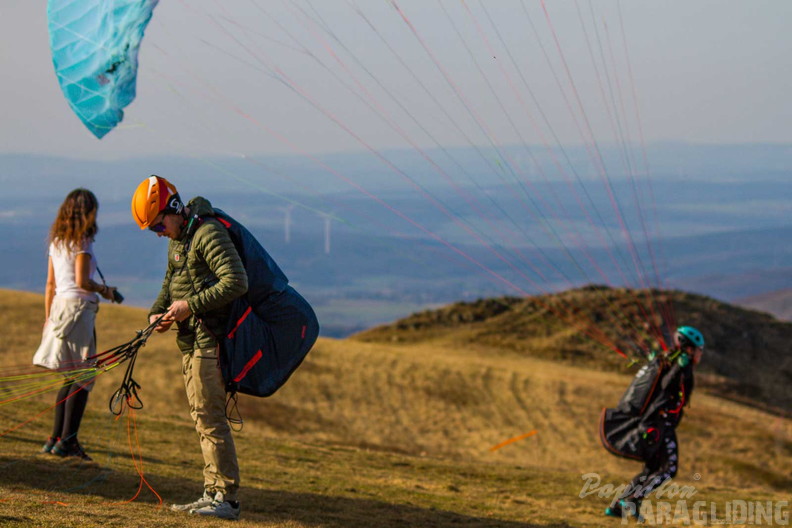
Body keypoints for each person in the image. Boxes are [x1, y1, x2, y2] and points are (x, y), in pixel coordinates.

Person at [131, 176, 248, 520]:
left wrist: (189, 307)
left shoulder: (208, 234)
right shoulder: (179, 239)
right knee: (202, 418)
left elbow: (236, 281)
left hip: (209, 341)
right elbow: (170, 283)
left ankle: (225, 498)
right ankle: (211, 492)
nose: (157, 233)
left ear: (175, 209)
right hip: (191, 341)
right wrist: (158, 310)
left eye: (157, 224)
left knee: (211, 421)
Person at [33, 188, 118, 461]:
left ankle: (55, 438)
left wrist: (49, 318)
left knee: (70, 375)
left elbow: (50, 284)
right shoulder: (82, 241)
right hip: (79, 310)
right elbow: (82, 282)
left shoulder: (57, 241)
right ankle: (68, 442)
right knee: (84, 377)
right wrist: (104, 290)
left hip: (59, 308)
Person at [600, 325, 704, 520]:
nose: (701, 354)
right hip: (659, 424)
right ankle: (631, 499)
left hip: (654, 423)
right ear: (689, 349)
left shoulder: (669, 361)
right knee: (668, 469)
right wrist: (681, 369)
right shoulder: (680, 366)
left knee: (653, 469)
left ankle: (618, 507)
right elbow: (666, 387)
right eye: (699, 350)